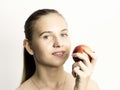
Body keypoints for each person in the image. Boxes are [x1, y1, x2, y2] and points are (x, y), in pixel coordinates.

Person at [16, 9, 99, 90]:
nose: (59, 43)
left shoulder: (90, 87)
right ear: (29, 46)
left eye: (63, 34)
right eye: (47, 36)